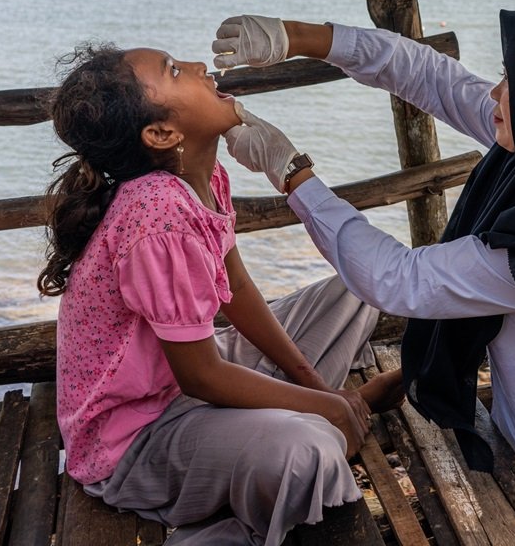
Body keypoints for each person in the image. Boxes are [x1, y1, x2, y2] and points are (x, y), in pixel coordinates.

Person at [213, 5, 515, 524]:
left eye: (512, 80)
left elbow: (398, 279)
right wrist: (294, 36)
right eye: (502, 74)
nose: (494, 93)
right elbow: (427, 74)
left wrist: (292, 172)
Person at [38, 44, 402, 545]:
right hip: (134, 439)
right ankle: (326, 424)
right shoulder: (156, 214)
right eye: (174, 70)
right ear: (162, 133)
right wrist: (324, 409)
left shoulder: (205, 179)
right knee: (305, 449)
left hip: (181, 382)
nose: (198, 67)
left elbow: (237, 291)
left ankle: (328, 413)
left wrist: (316, 389)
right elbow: (201, 377)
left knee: (361, 284)